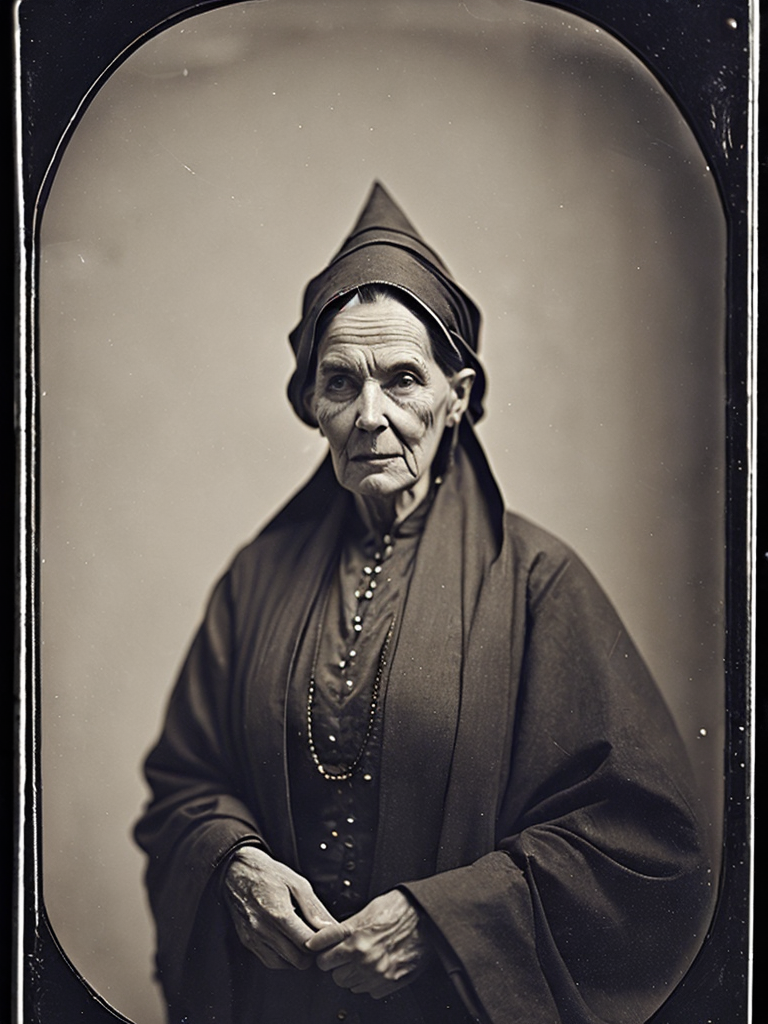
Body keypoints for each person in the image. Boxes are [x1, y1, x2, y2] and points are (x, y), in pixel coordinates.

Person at [134, 182, 713, 1024]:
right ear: (311, 406)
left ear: (458, 397)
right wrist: (230, 864)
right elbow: (184, 783)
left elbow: (642, 841)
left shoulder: (537, 580)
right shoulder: (255, 578)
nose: (369, 416)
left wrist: (444, 924)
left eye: (403, 379)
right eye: (340, 382)